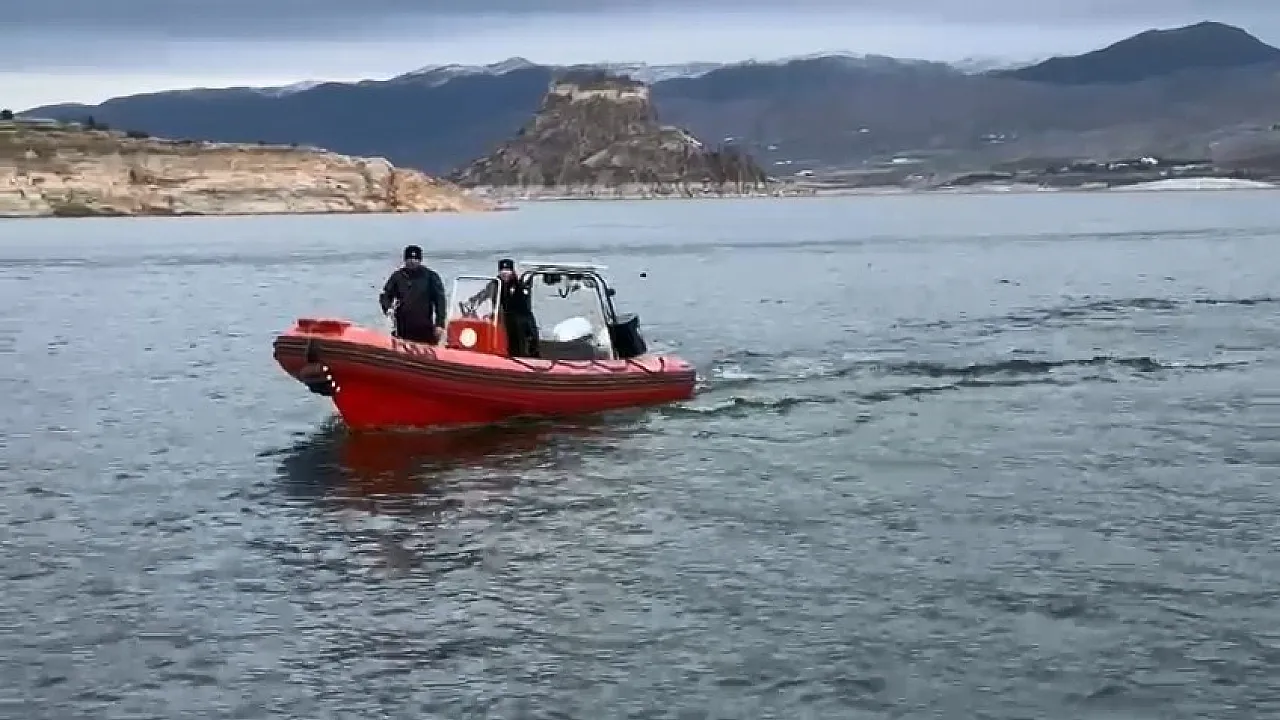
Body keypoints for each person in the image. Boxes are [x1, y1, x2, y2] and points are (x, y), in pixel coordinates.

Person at [466, 258, 539, 357]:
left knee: (525, 325)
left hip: (521, 315)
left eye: (508, 270)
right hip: (504, 316)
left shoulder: (519, 283)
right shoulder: (495, 284)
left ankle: (531, 352)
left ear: (512, 271)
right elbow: (483, 294)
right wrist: (472, 302)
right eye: (503, 270)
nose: (505, 273)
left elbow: (523, 300)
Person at [379, 244, 446, 344]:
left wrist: (440, 324)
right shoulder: (397, 276)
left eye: (415, 259)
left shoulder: (431, 277)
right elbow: (385, 295)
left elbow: (440, 301)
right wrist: (388, 308)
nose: (412, 261)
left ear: (420, 260)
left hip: (424, 327)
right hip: (402, 327)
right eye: (409, 258)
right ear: (405, 260)